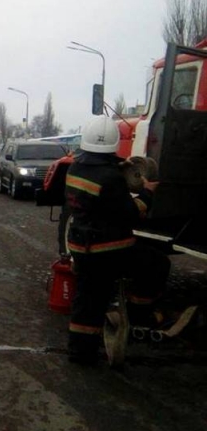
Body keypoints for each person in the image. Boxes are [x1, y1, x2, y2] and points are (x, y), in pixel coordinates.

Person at [65, 116, 169, 365]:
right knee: (157, 264)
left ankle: (80, 352)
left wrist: (122, 166)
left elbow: (100, 175)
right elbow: (131, 213)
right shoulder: (111, 178)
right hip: (109, 250)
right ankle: (138, 314)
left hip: (81, 246)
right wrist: (147, 193)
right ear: (113, 144)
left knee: (87, 300)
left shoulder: (75, 168)